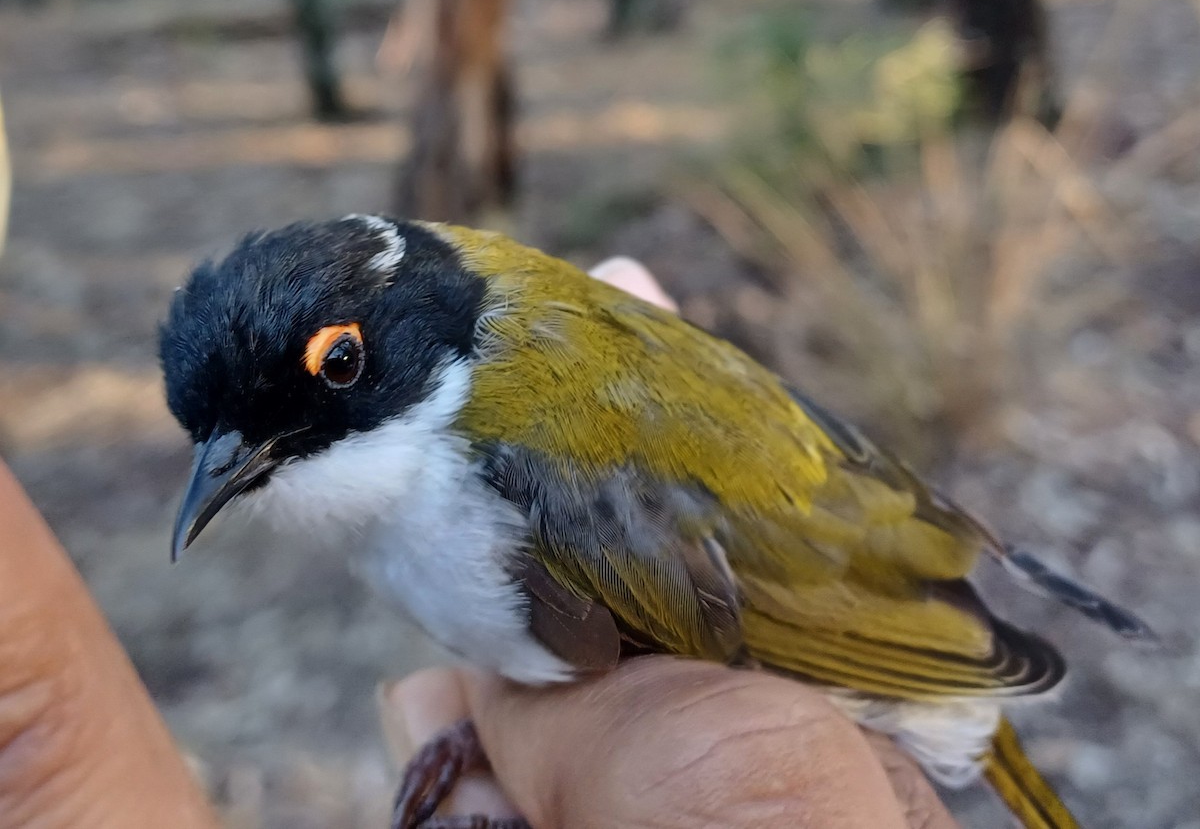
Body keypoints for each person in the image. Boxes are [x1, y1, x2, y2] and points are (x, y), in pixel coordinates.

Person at [0, 259, 959, 829]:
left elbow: (773, 646)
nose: (239, 461)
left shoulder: (513, 476)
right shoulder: (407, 492)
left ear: (409, 319)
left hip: (862, 638)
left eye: (336, 364)